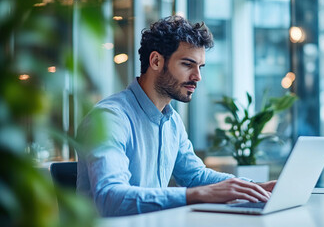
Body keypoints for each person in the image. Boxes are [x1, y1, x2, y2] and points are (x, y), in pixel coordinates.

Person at [76, 16, 276, 217]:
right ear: (156, 61)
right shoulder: (109, 118)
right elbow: (111, 199)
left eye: (200, 67)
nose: (197, 76)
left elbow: (195, 176)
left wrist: (255, 187)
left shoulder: (172, 121)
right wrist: (197, 195)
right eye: (188, 64)